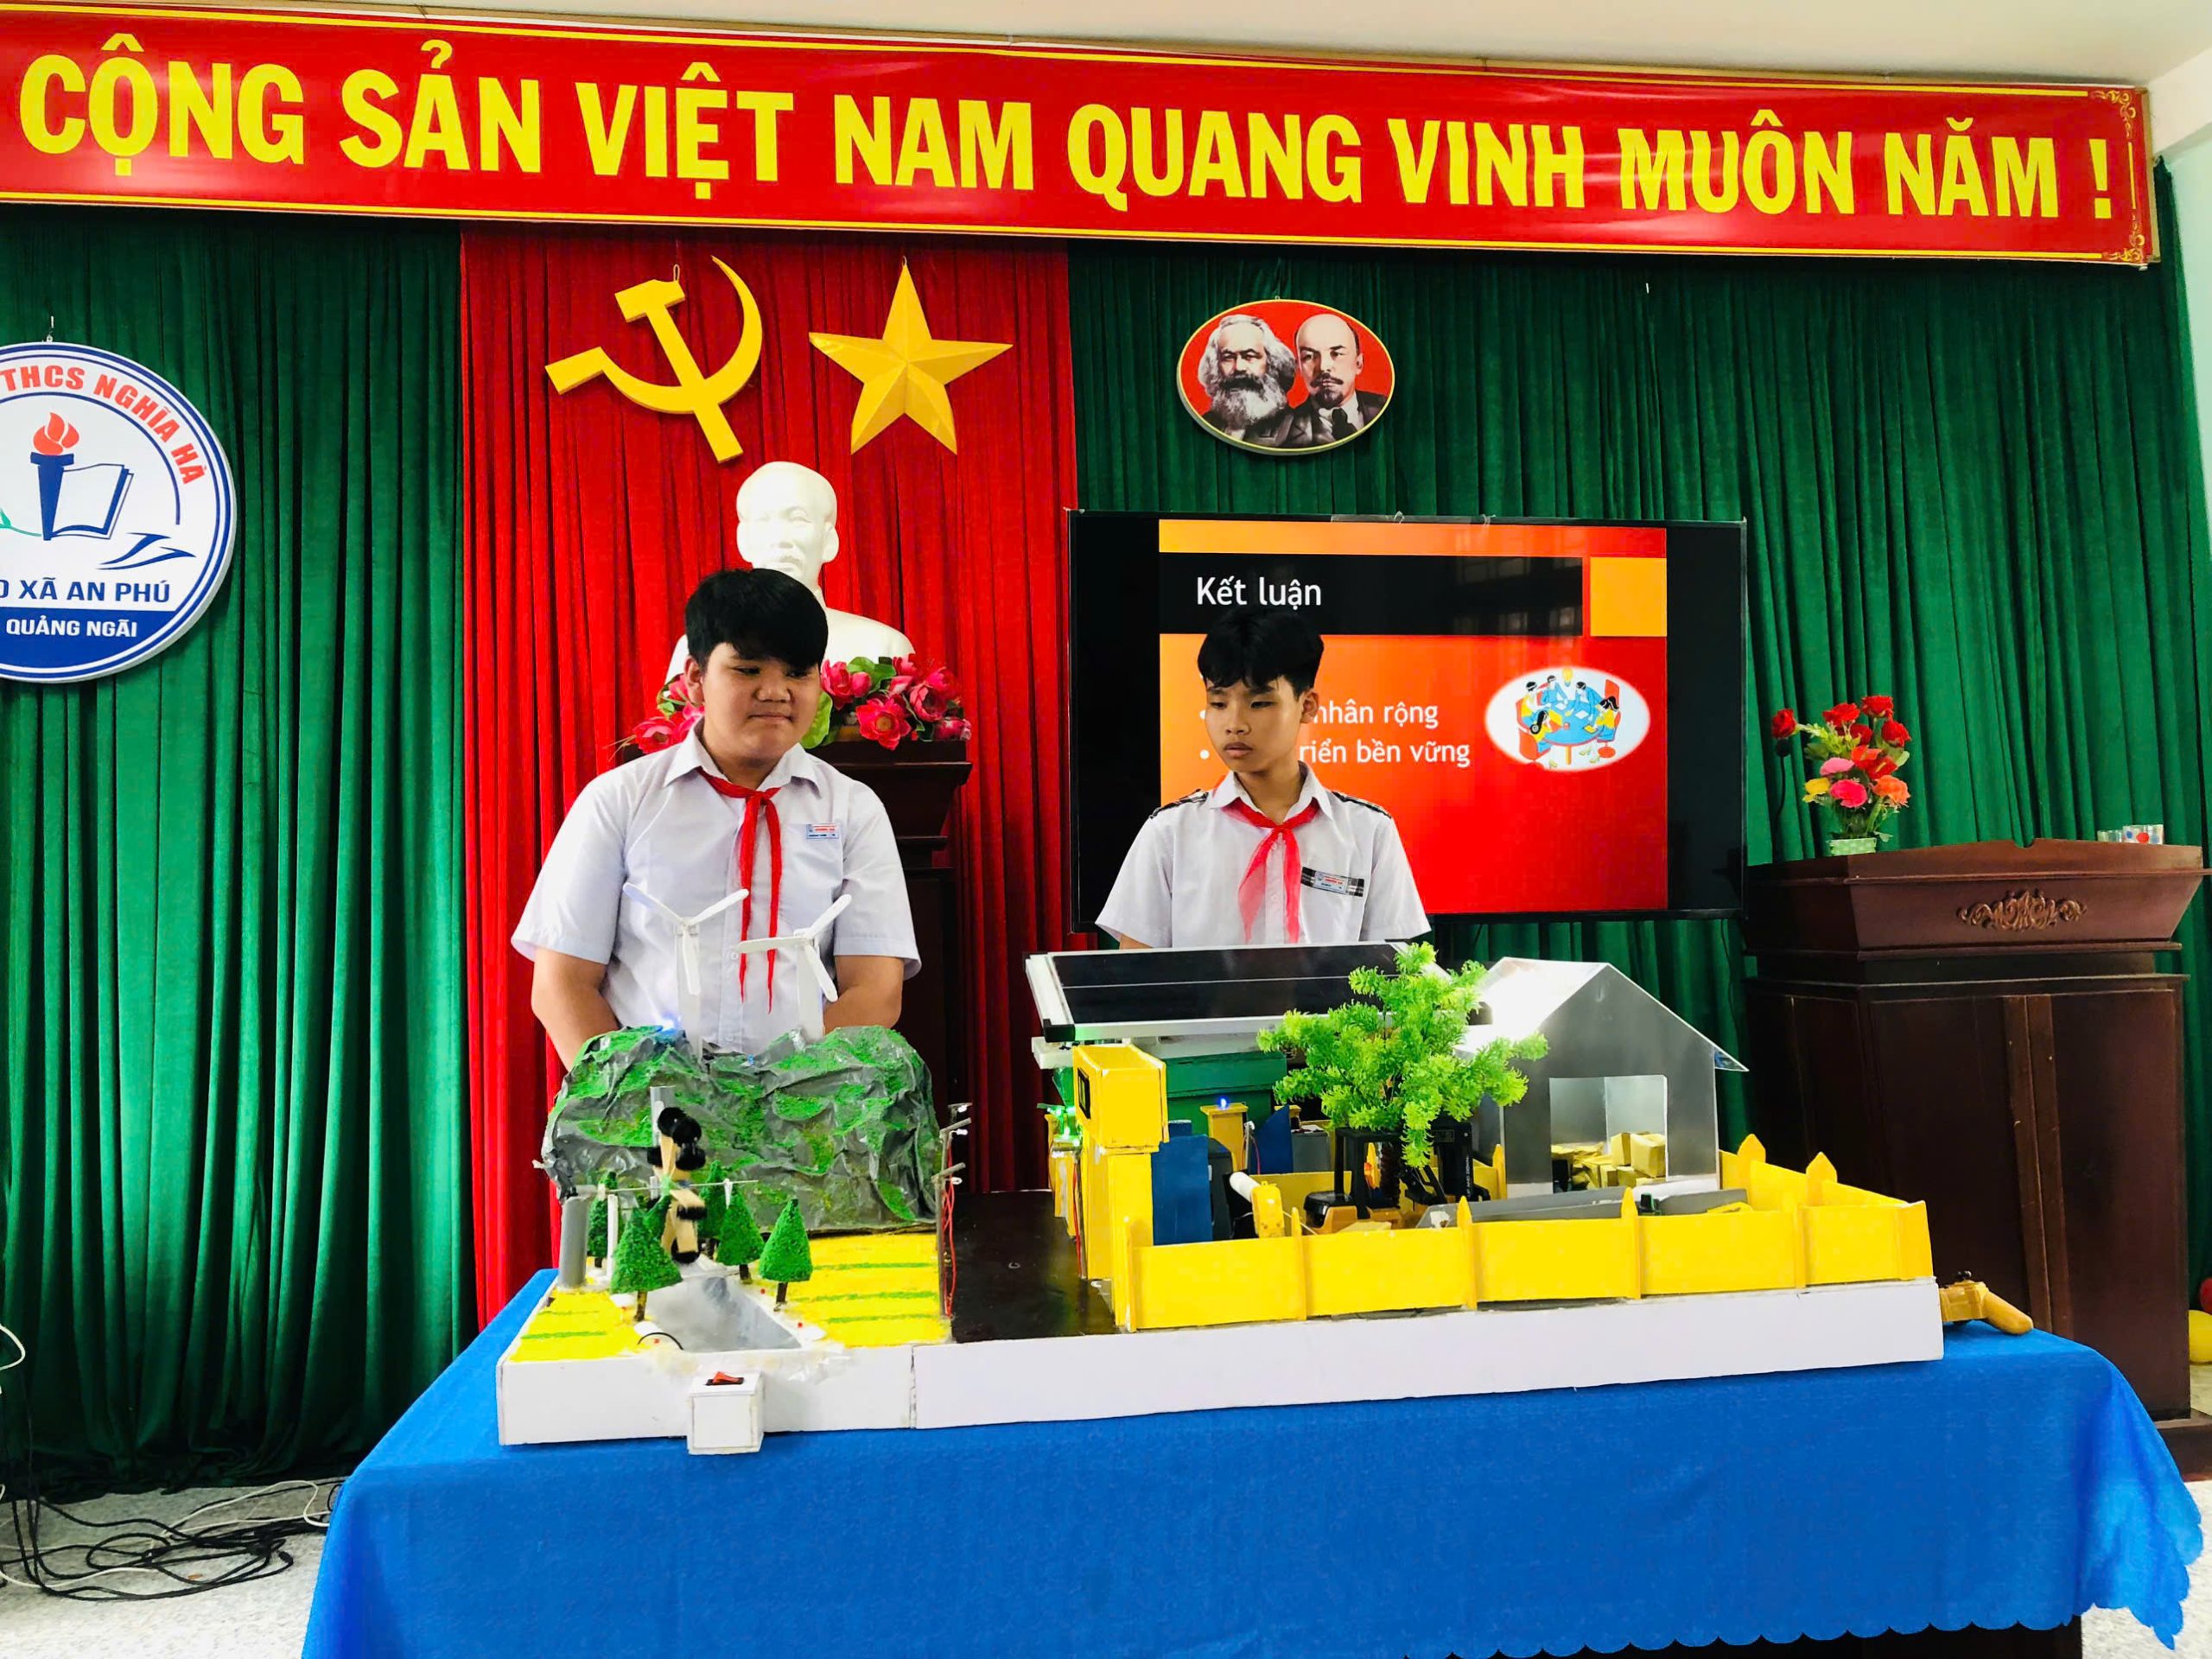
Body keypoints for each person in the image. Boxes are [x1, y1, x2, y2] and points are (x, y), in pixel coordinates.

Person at [519, 567, 918, 1067]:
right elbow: (562, 984)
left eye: (797, 673)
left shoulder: (853, 809)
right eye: (748, 670)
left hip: (803, 1105)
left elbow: (875, 988)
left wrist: (782, 1093)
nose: (775, 691)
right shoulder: (620, 800)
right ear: (695, 679)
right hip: (654, 1104)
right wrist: (637, 1097)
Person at [1098, 608, 1427, 949]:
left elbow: (1396, 968)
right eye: (1218, 703)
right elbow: (1135, 971)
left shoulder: (1369, 832)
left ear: (1307, 706)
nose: (1235, 724)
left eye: (1259, 703)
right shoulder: (1170, 834)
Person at [662, 460, 913, 687]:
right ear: (743, 540)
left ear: (829, 540)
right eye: (764, 520)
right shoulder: (698, 648)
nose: (780, 539)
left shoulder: (883, 648)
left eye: (798, 519)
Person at [1278, 310, 1388, 448]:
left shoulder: (1387, 410)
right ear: (1298, 367)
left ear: (1358, 364)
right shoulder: (1283, 433)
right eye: (1309, 356)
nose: (1323, 367)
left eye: (1336, 354)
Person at [1193, 314, 1298, 448]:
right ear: (1215, 366)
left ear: (1272, 363)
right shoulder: (1205, 424)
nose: (1239, 367)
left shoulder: (1295, 427)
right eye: (1228, 357)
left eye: (1249, 356)